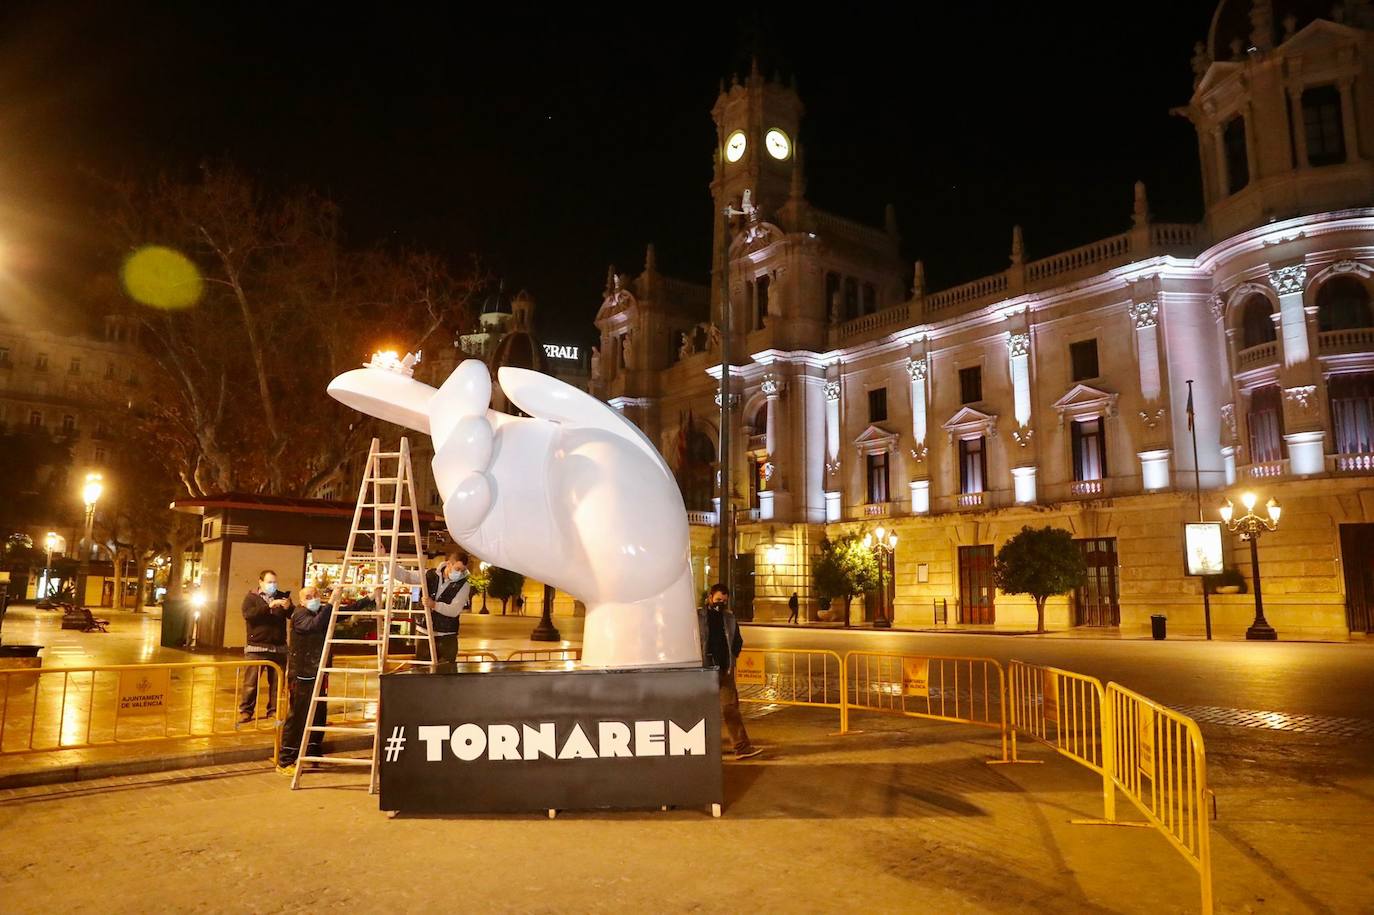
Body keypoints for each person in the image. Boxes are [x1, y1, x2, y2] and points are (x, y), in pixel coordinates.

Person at [699, 583, 762, 760]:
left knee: (731, 709)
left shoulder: (729, 618)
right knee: (702, 710)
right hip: (703, 671)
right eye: (718, 600)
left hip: (724, 670)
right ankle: (703, 747)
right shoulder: (699, 616)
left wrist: (733, 656)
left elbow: (737, 641)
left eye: (724, 601)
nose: (721, 603)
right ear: (710, 597)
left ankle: (741, 747)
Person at [392, 551, 471, 664]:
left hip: (447, 636)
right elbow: (406, 576)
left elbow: (454, 610)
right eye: (457, 569)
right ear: (448, 564)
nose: (459, 573)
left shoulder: (464, 585)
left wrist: (434, 605)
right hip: (425, 633)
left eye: (463, 570)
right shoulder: (429, 575)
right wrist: (386, 560)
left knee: (446, 674)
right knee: (422, 672)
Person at [239, 570, 292, 724]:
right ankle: (246, 711)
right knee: (251, 683)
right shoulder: (251, 598)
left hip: (279, 648)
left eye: (274, 582)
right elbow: (249, 615)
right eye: (269, 582)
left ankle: (274, 710)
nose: (272, 585)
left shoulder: (281, 595)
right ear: (260, 582)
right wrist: (269, 606)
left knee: (277, 683)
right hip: (257, 648)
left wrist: (288, 607)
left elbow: (292, 615)